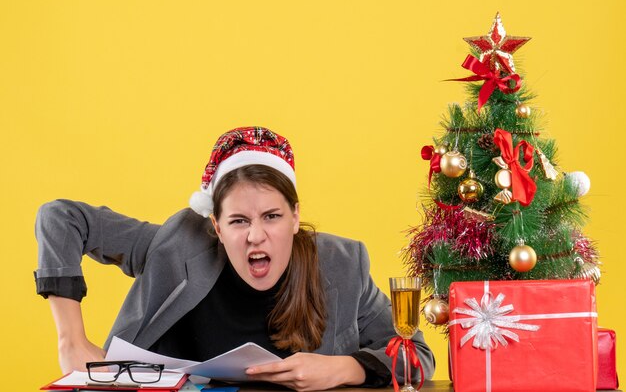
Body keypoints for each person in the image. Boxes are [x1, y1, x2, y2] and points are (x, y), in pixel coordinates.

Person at [34, 126, 435, 391]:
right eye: (239, 220)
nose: (255, 236)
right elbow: (61, 218)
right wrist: (71, 340)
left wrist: (347, 368)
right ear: (217, 226)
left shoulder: (342, 264)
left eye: (272, 217)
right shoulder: (175, 247)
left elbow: (417, 355)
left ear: (295, 217)